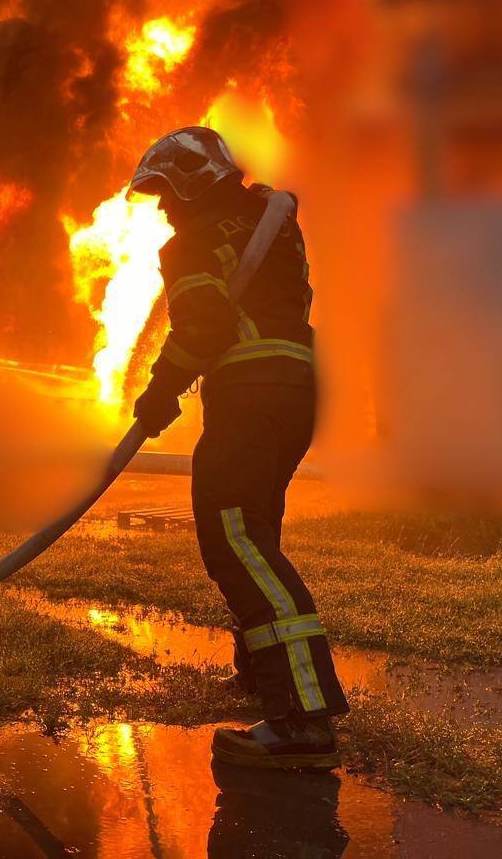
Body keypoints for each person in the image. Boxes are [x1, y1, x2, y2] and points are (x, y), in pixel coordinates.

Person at [129, 127, 349, 769]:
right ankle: (261, 676)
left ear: (192, 184)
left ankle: (302, 717)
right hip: (296, 392)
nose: (163, 210)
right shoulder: (271, 219)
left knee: (236, 540)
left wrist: (159, 391)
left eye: (166, 194)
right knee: (256, 532)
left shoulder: (191, 242)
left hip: (249, 393)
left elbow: (205, 325)